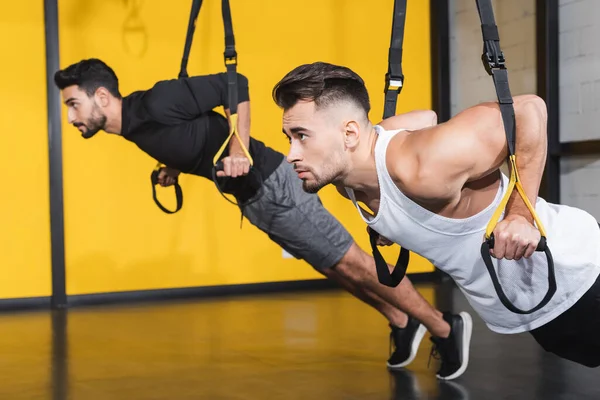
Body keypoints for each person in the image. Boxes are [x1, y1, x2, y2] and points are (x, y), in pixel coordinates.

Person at [53, 58, 473, 380]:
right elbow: (194, 136)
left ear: (102, 98)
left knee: (353, 262)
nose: (71, 116)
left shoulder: (159, 100)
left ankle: (444, 327)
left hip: (273, 184)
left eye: (74, 104)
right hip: (255, 200)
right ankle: (400, 320)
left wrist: (240, 147)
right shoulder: (137, 126)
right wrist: (175, 168)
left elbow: (235, 85)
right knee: (334, 267)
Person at [272, 61, 600, 368]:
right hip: (534, 307)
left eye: (302, 136)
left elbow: (529, 110)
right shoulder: (348, 180)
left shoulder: (424, 167)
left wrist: (520, 215)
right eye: (289, 138)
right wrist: (397, 222)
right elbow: (426, 116)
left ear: (350, 134)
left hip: (578, 274)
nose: (291, 155)